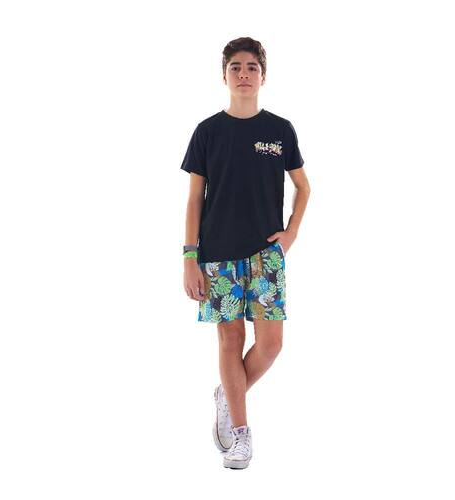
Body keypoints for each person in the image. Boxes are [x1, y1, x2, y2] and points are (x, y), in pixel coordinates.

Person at [180, 37, 310, 469]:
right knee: (230, 340)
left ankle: (228, 392)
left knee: (271, 345)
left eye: (252, 67)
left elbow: (303, 187)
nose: (243, 74)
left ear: (263, 76)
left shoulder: (280, 130)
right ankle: (240, 435)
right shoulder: (207, 132)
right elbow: (194, 199)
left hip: (266, 256)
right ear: (224, 75)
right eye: (235, 67)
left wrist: (290, 234)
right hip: (217, 256)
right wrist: (189, 257)